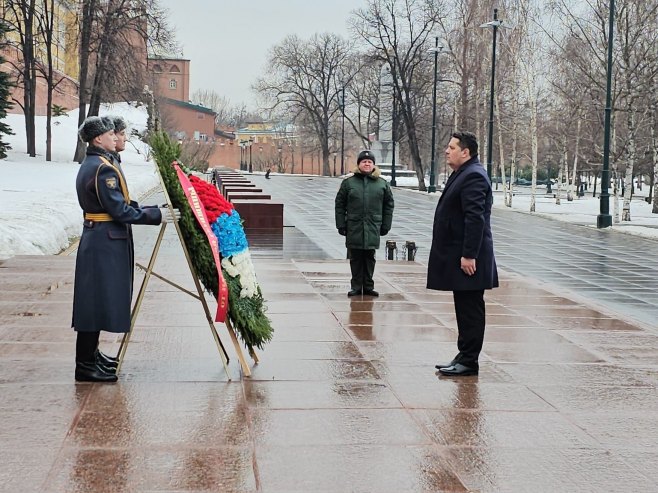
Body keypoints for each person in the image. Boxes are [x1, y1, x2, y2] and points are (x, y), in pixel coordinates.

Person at [72, 115, 174, 382]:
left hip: (103, 239)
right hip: (103, 241)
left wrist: (152, 210)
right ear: (98, 139)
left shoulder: (100, 163)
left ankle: (91, 356)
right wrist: (155, 217)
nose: (115, 137)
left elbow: (123, 201)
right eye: (110, 134)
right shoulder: (101, 168)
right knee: (94, 303)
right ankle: (84, 364)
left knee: (98, 300)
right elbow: (118, 209)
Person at [427, 131, 498, 376]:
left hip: (470, 258)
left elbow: (475, 218)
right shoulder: (464, 173)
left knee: (470, 309)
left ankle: (469, 361)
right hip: (463, 255)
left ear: (465, 152)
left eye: (452, 147)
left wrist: (469, 255)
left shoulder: (473, 176)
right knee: (464, 307)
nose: (447, 151)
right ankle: (464, 354)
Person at [335, 149, 394, 297]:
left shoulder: (382, 184)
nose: (367, 164)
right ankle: (355, 286)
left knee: (369, 257)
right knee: (355, 257)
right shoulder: (348, 183)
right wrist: (341, 224)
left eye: (369, 162)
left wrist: (386, 224)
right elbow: (340, 204)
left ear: (373, 165)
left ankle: (368, 286)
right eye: (364, 162)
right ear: (359, 164)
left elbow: (389, 205)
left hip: (373, 226)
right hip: (354, 226)